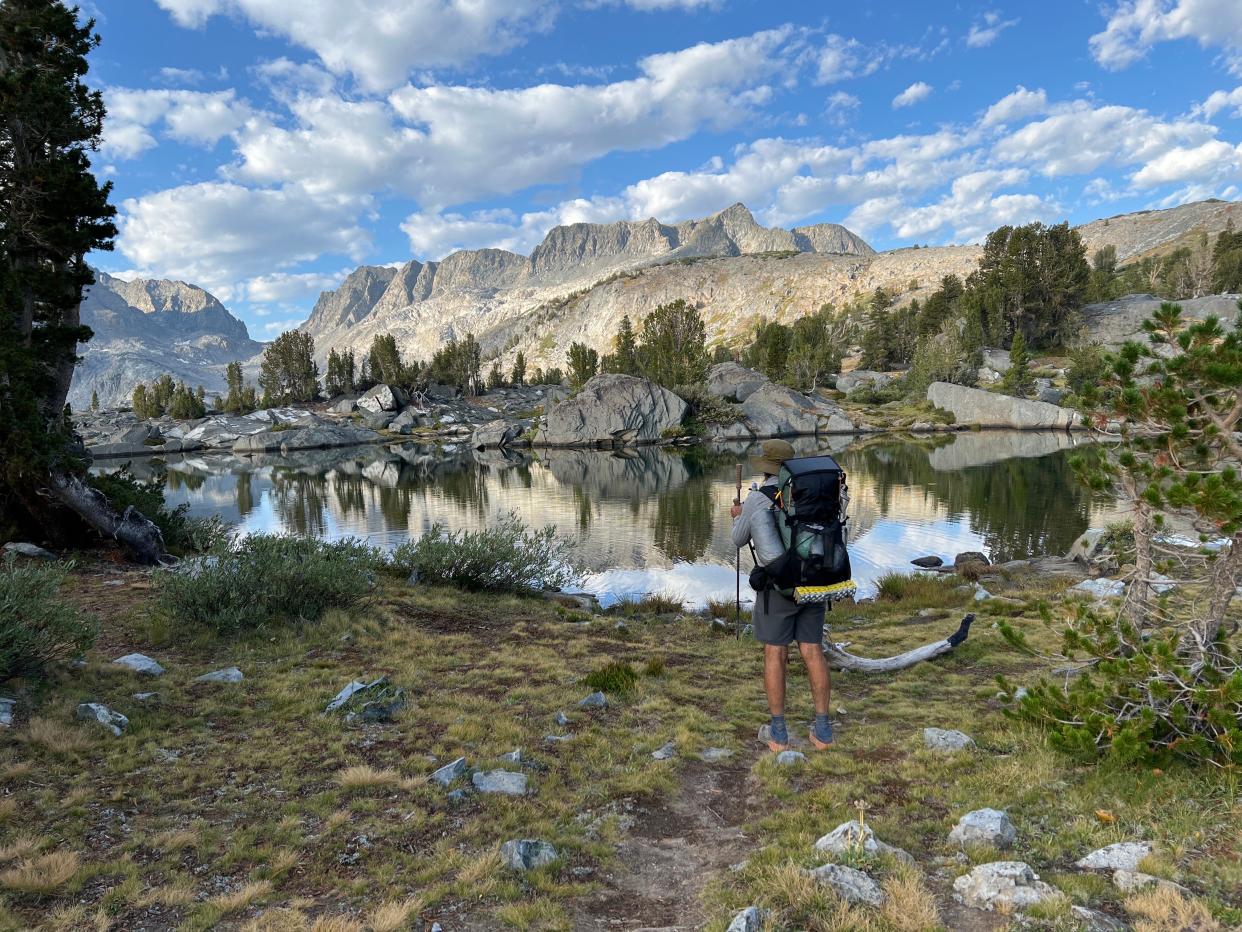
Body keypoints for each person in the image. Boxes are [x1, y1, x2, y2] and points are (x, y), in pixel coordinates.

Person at [730, 439, 834, 752]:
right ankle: (823, 731)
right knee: (813, 651)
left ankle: (778, 733)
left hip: (779, 586)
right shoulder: (813, 489)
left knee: (775, 653)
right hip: (814, 582)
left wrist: (738, 514)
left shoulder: (758, 498)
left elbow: (738, 539)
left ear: (764, 467)